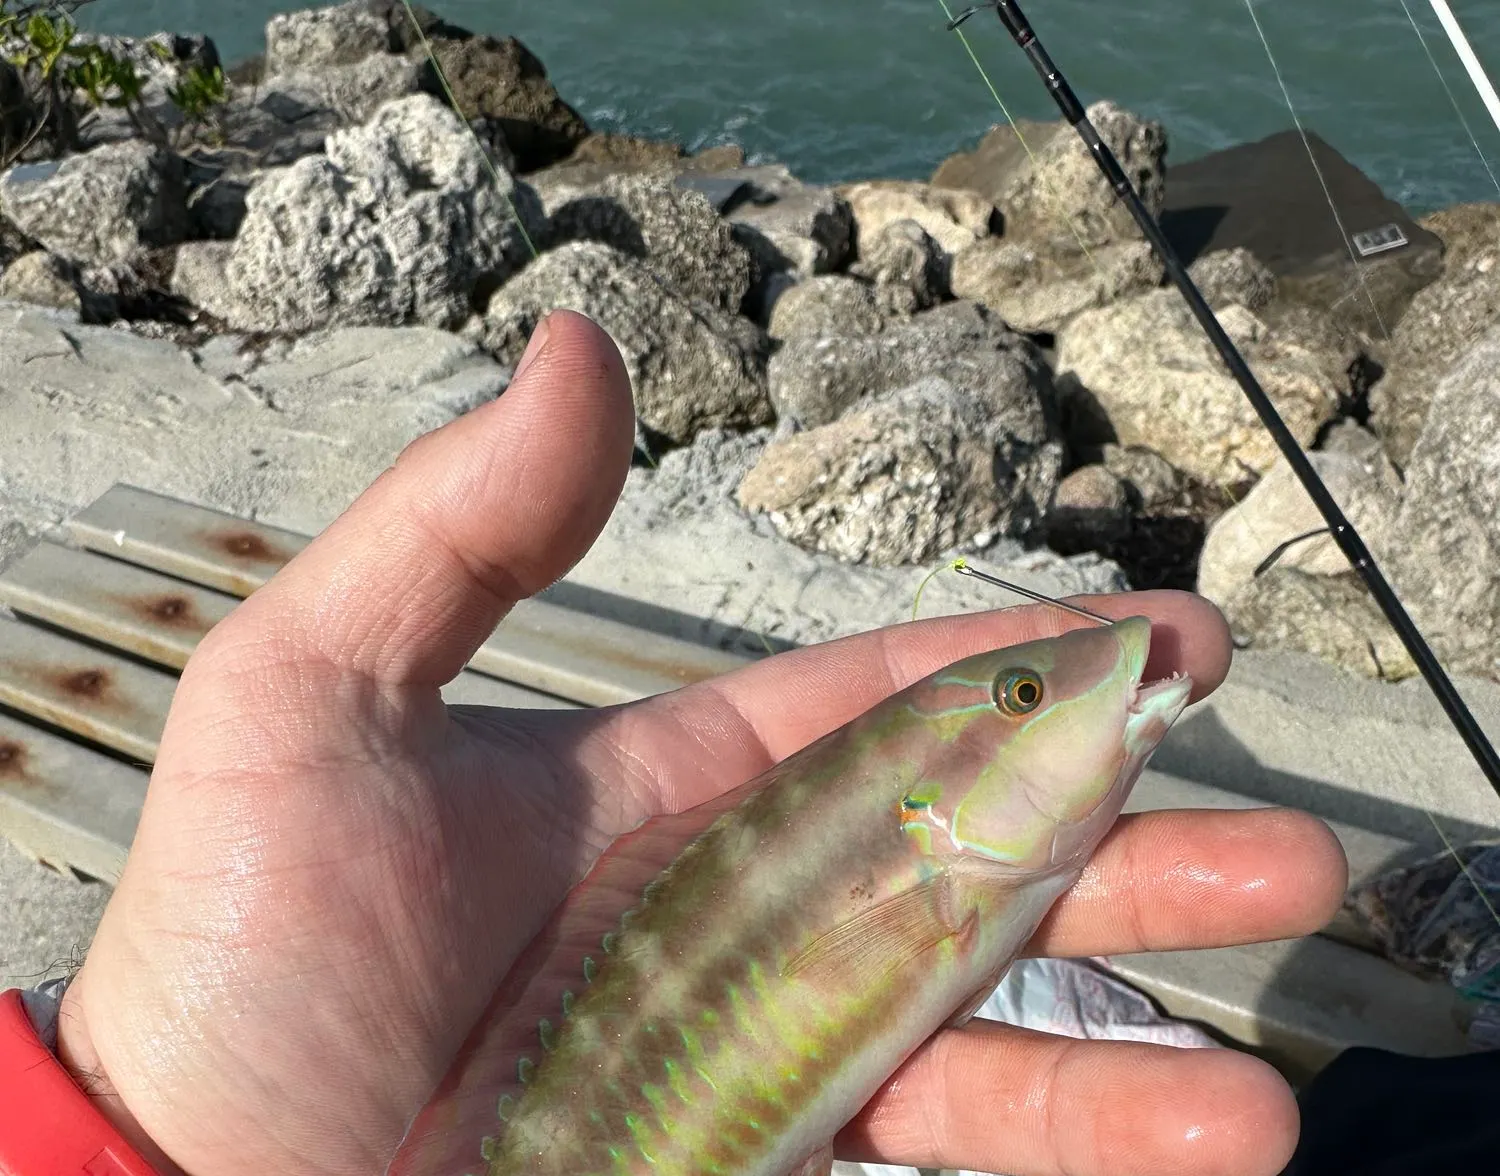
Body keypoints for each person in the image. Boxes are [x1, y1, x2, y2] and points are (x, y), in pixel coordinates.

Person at [30, 312, 1350, 1175]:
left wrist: (99, 1133)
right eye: (1015, 703)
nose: (1067, 684)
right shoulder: (936, 873)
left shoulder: (953, 869)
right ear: (929, 811)